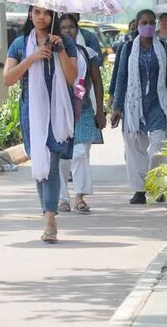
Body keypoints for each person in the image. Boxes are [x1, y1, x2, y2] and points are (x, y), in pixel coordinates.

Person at [4, 5, 77, 243]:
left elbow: (71, 77)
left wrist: (61, 51)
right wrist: (32, 57)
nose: (41, 17)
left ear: (53, 15)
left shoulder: (64, 41)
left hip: (58, 111)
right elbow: (8, 78)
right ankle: (47, 212)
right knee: (40, 165)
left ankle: (49, 219)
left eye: (46, 12)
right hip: (31, 112)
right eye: (36, 12)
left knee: (52, 164)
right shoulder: (20, 43)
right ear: (30, 15)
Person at [111, 9, 167, 205]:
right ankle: (140, 190)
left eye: (151, 22)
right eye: (144, 22)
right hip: (134, 106)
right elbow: (121, 78)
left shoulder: (163, 49)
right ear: (138, 24)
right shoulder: (127, 49)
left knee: (159, 145)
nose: (148, 26)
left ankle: (157, 184)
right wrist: (117, 107)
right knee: (135, 149)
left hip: (158, 103)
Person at [57, 14, 106, 213]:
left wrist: (100, 111)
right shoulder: (53, 53)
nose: (67, 30)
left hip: (83, 110)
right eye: (63, 27)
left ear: (77, 30)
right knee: (60, 158)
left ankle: (79, 196)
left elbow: (96, 82)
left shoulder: (88, 53)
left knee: (80, 154)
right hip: (59, 111)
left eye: (71, 27)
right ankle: (62, 198)